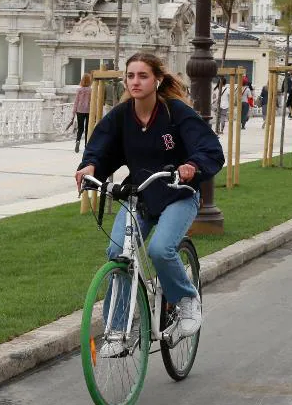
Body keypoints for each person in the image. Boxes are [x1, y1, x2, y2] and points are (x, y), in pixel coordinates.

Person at [74, 52, 224, 345]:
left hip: (178, 195)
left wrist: (192, 167)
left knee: (160, 249)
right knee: (117, 253)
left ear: (157, 80)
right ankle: (117, 331)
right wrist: (90, 167)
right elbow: (101, 148)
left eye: (143, 76)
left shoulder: (176, 113)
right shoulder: (120, 116)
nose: (135, 82)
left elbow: (209, 149)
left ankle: (186, 299)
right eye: (130, 76)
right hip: (139, 196)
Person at [72, 74, 91, 153]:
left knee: (80, 128)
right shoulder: (91, 90)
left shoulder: (79, 90)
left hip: (79, 110)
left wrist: (73, 112)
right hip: (89, 111)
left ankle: (78, 141)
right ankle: (87, 145)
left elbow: (76, 101)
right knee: (87, 128)